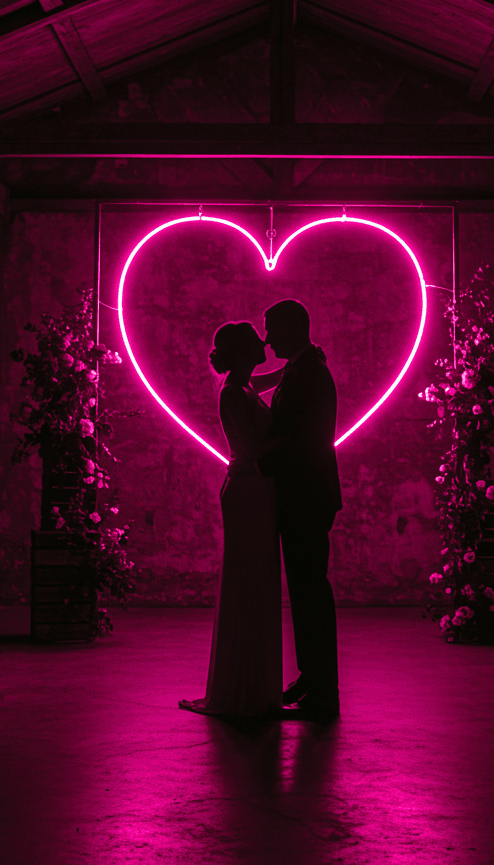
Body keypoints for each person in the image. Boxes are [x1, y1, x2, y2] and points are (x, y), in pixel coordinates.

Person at [178, 322, 284, 717]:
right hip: (249, 491)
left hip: (250, 489)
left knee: (252, 579)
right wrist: (297, 436)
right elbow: (255, 447)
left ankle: (245, 681)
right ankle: (242, 687)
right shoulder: (236, 393)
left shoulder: (242, 386)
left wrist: (294, 370)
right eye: (258, 341)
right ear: (242, 352)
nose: (266, 342)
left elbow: (268, 379)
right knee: (249, 578)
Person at [257, 299, 342, 721]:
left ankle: (323, 692)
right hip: (306, 493)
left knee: (310, 593)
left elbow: (300, 437)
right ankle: (313, 679)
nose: (267, 338)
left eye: (271, 329)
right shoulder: (303, 367)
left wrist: (256, 461)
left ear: (293, 328)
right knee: (307, 592)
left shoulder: (308, 373)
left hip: (305, 495)